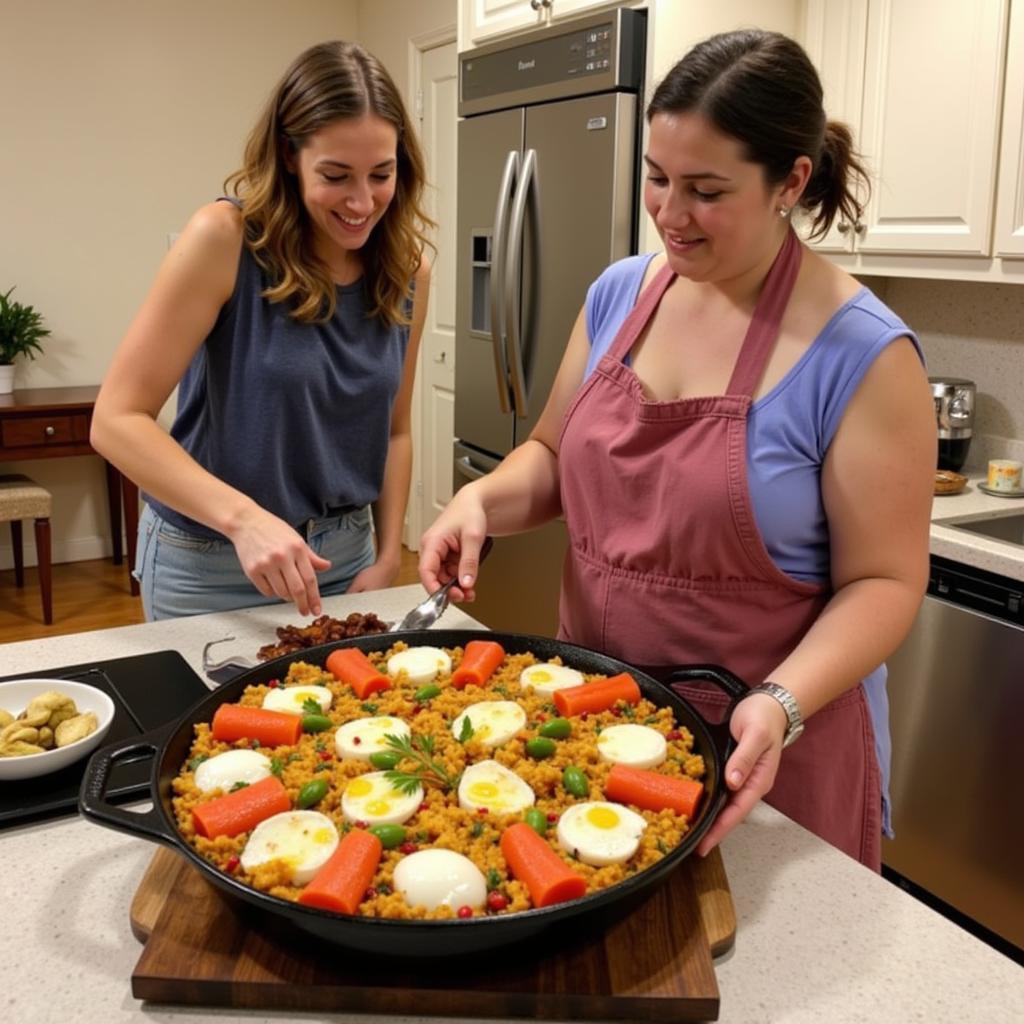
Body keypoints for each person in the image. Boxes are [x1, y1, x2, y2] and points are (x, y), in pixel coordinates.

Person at [419, 29, 935, 869]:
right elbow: (552, 456)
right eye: (656, 178)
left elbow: (885, 581)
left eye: (705, 189)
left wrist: (779, 702)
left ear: (790, 182)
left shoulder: (863, 356)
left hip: (762, 754)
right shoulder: (621, 293)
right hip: (594, 727)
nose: (668, 212)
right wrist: (477, 502)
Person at [92, 41, 432, 622]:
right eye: (335, 175)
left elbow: (395, 431)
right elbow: (116, 421)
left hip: (345, 565)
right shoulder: (224, 240)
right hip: (210, 564)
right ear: (288, 155)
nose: (361, 201)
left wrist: (386, 553)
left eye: (382, 174)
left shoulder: (409, 270)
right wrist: (244, 519)